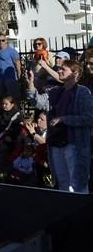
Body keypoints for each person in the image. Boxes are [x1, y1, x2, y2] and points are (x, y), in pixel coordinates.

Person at [26, 61, 93, 193]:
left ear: (75, 73)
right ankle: (66, 210)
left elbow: (89, 118)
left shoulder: (83, 92)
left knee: (77, 184)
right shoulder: (55, 91)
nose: (59, 71)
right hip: (56, 143)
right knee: (63, 182)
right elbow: (37, 101)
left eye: (64, 69)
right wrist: (31, 82)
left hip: (74, 144)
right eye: (60, 69)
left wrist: (64, 119)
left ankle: (81, 211)